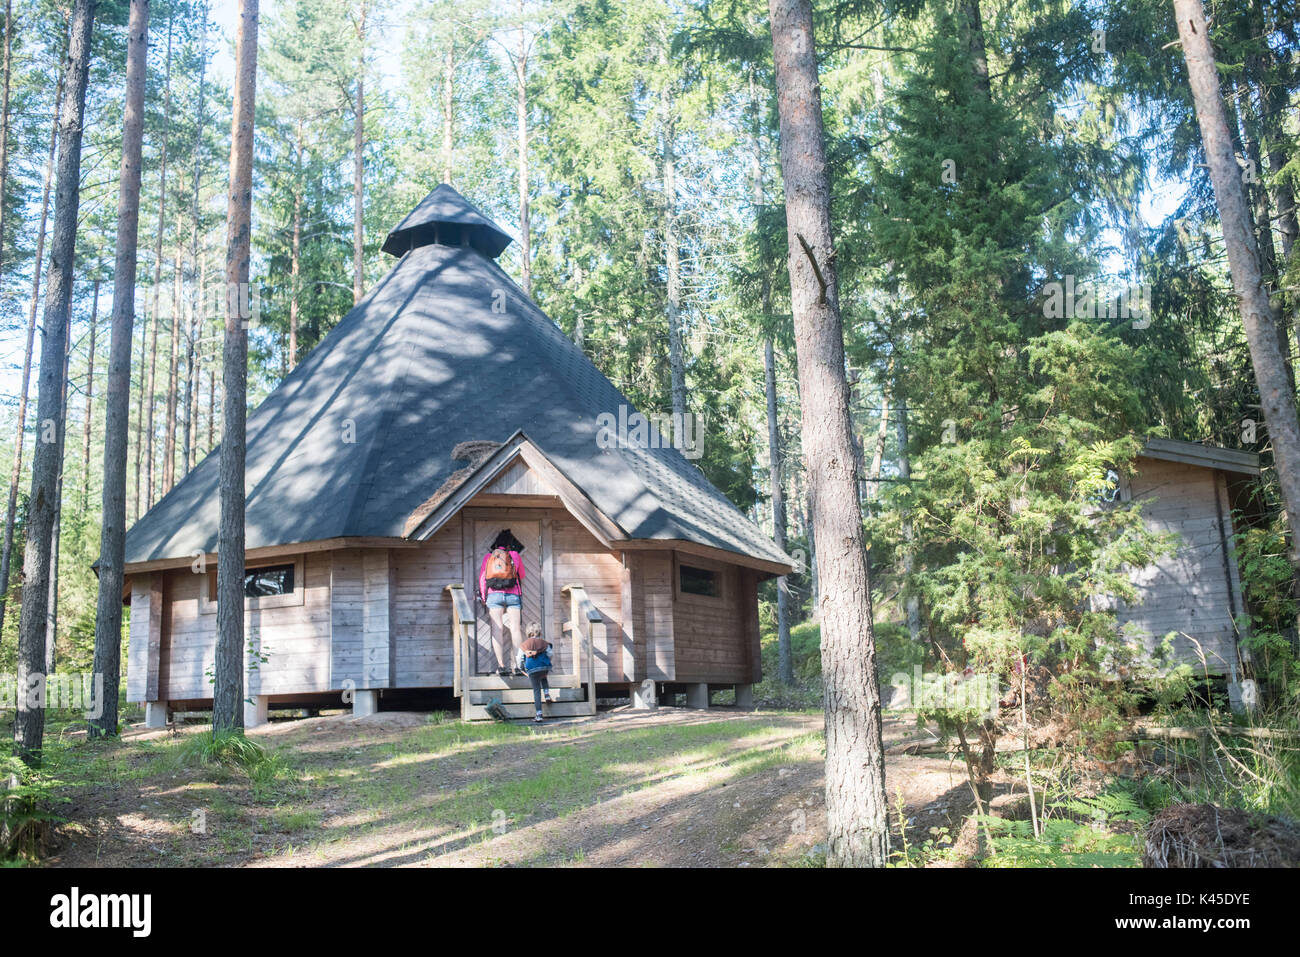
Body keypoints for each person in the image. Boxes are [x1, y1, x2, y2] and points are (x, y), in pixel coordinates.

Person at [479, 530, 526, 676]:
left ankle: (501, 666)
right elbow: (522, 575)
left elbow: (482, 578)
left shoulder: (488, 557)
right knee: (515, 629)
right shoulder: (515, 555)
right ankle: (518, 666)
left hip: (494, 595)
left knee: (497, 630)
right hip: (513, 594)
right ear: (509, 545)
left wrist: (484, 597)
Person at [520, 622, 555, 722]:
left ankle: (539, 715)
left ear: (528, 632)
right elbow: (550, 653)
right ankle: (547, 694)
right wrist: (547, 662)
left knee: (536, 690)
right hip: (544, 666)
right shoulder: (544, 643)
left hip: (532, 669)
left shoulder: (524, 645)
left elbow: (519, 658)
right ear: (539, 631)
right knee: (543, 676)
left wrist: (521, 668)